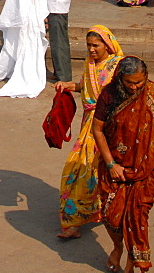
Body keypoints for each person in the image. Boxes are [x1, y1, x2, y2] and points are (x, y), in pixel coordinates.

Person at [94, 57, 154, 273]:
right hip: (114, 167)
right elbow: (98, 130)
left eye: (140, 82)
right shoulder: (109, 95)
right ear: (121, 79)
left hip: (143, 170)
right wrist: (111, 164)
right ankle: (117, 247)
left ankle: (132, 260)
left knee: (137, 215)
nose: (136, 87)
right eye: (130, 82)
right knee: (111, 215)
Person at [54, 25, 124, 240]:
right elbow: (85, 88)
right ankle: (74, 219)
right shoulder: (90, 64)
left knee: (91, 169)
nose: (92, 49)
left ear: (107, 45)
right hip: (89, 124)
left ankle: (85, 216)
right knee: (79, 168)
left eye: (96, 45)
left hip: (107, 126)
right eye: (88, 45)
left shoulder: (117, 66)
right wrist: (67, 85)